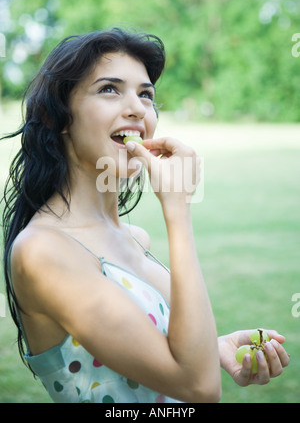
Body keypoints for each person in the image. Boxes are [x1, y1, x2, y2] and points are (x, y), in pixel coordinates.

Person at [1, 28, 289, 404]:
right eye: (109, 89)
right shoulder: (43, 252)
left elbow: (172, 358)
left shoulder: (136, 238)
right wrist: (178, 210)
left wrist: (214, 348)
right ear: (59, 119)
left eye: (146, 94)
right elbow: (199, 388)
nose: (137, 108)